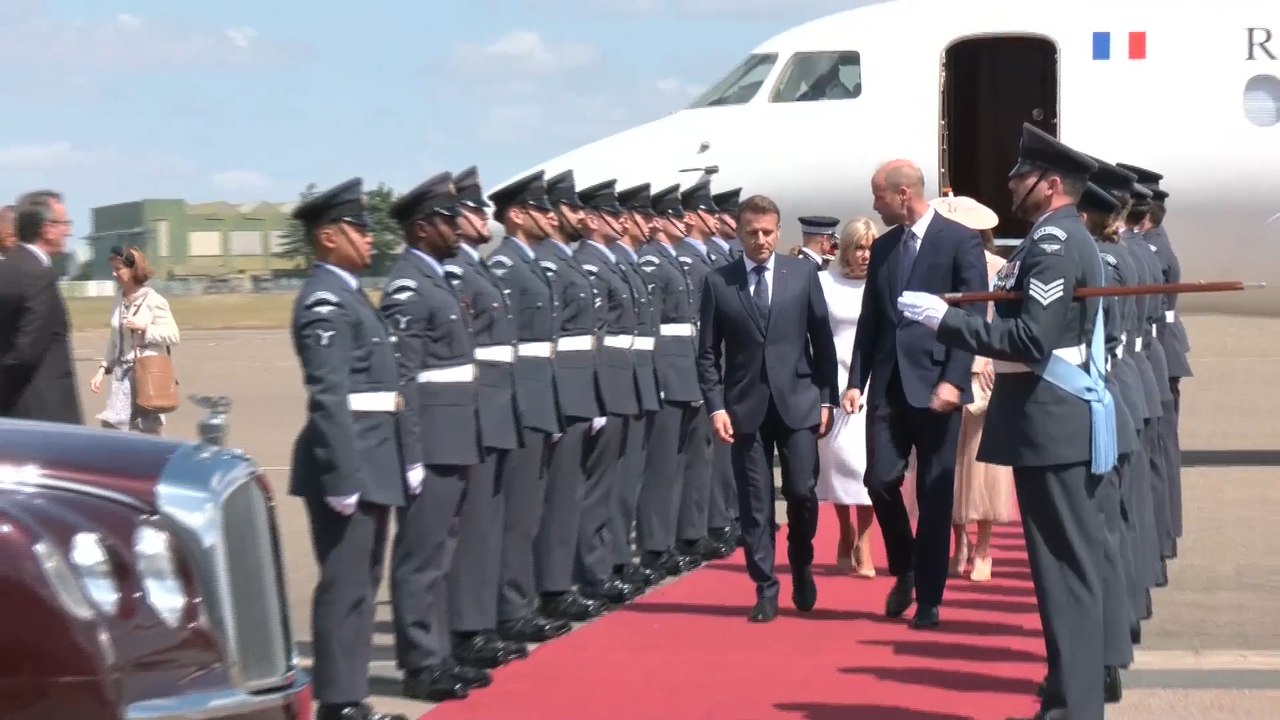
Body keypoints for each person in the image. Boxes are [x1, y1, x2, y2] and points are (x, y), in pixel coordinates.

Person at [897, 123, 1113, 720]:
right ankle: (1070, 694)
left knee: (1065, 568)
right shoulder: (1054, 237)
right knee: (1060, 567)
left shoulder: (1051, 243)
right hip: (1050, 416)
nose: (1011, 183)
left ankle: (1076, 706)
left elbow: (1030, 338)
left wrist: (945, 321)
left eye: (1020, 175)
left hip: (1052, 414)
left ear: (1048, 185)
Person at [286, 177, 421, 720]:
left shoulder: (347, 293)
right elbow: (329, 396)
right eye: (358, 230)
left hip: (373, 454)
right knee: (344, 587)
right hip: (348, 463)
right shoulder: (324, 299)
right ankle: (337, 702)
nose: (369, 239)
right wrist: (342, 475)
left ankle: (351, 696)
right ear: (327, 237)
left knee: (363, 584)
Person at [841, 160, 988, 630]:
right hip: (888, 387)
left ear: (903, 194)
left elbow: (974, 318)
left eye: (878, 196)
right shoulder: (884, 248)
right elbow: (872, 320)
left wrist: (955, 379)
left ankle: (928, 596)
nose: (874, 205)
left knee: (933, 492)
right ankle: (904, 569)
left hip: (937, 386)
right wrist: (854, 381)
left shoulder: (959, 242)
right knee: (880, 481)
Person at [696, 193, 839, 622]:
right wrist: (716, 407)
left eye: (767, 232)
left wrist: (827, 396)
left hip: (798, 402)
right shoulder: (719, 282)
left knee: (800, 491)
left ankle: (801, 563)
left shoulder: (801, 275)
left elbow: (822, 340)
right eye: (752, 232)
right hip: (745, 408)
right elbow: (707, 352)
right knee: (755, 503)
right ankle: (765, 587)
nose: (760, 239)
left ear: (779, 232)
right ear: (738, 233)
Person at [380, 172, 487, 701]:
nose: (457, 228)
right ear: (422, 228)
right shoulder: (407, 286)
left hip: (455, 435)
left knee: (442, 555)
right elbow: (402, 379)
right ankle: (421, 664)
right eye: (447, 221)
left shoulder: (439, 278)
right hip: (432, 443)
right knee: (420, 559)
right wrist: (411, 453)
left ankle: (440, 655)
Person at [443, 166, 535, 664]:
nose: (484, 218)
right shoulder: (461, 270)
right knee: (474, 525)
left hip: (499, 407)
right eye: (476, 211)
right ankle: (468, 627)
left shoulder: (476, 267)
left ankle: (485, 619)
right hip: (476, 410)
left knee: (493, 521)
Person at [483, 170, 575, 642]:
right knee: (515, 515)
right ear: (517, 216)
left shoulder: (532, 262)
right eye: (541, 210)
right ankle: (510, 608)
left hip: (540, 398)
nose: (551, 217)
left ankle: (521, 604)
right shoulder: (505, 267)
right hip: (519, 402)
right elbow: (505, 350)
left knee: (528, 512)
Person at [924, 196, 1016, 583]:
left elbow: (1006, 323)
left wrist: (989, 360)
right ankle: (958, 541)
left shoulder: (1000, 269)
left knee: (983, 467)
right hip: (943, 370)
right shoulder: (934, 267)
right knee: (951, 463)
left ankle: (984, 545)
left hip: (984, 376)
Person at [534, 169, 610, 621]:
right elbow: (551, 344)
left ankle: (562, 583)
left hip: (582, 386)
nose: (580, 216)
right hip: (561, 390)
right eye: (572, 208)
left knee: (570, 495)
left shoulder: (565, 262)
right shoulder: (549, 263)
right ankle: (552, 586)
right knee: (557, 497)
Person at [572, 178, 644, 605]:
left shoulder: (612, 261)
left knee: (616, 482)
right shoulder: (591, 264)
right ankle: (593, 568)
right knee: (597, 488)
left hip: (623, 378)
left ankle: (607, 561)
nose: (621, 221)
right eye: (614, 214)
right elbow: (593, 338)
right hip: (605, 382)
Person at [635, 184, 702, 579]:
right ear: (659, 222)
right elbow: (651, 330)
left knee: (675, 465)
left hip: (683, 370)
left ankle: (671, 539)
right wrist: (657, 378)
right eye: (677, 216)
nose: (685, 221)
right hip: (666, 372)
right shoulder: (652, 262)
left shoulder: (671, 259)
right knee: (660, 468)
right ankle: (655, 546)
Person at [673, 178, 734, 563]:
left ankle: (718, 520)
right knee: (688, 462)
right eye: (712, 212)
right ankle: (691, 533)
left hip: (717, 363)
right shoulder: (686, 259)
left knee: (712, 457)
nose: (717, 220)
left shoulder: (714, 258)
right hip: (683, 368)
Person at [817, 218, 878, 578]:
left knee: (867, 466)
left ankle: (865, 541)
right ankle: (845, 531)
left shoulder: (881, 284)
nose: (865, 255)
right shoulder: (824, 282)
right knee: (838, 464)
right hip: (832, 381)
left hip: (869, 383)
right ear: (844, 249)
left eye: (871, 247)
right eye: (859, 247)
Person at [611, 182, 664, 589]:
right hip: (615, 381)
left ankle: (617, 559)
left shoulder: (629, 263)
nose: (651, 224)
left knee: (631, 477)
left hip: (638, 376)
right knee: (614, 482)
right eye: (643, 217)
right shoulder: (622, 264)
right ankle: (610, 562)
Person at [0, 190, 82, 424]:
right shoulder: (38, 276)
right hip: (44, 410)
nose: (69, 231)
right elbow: (26, 353)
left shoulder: (8, 268)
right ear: (46, 229)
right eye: (64, 224)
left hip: (12, 408)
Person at [89, 245, 181, 434]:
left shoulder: (154, 300)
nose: (114, 274)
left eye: (119, 269)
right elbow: (115, 340)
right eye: (113, 269)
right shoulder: (118, 300)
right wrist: (102, 368)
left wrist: (145, 328)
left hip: (146, 373)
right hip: (122, 375)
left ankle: (156, 461)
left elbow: (173, 334)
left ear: (134, 269)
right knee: (114, 426)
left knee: (148, 429)